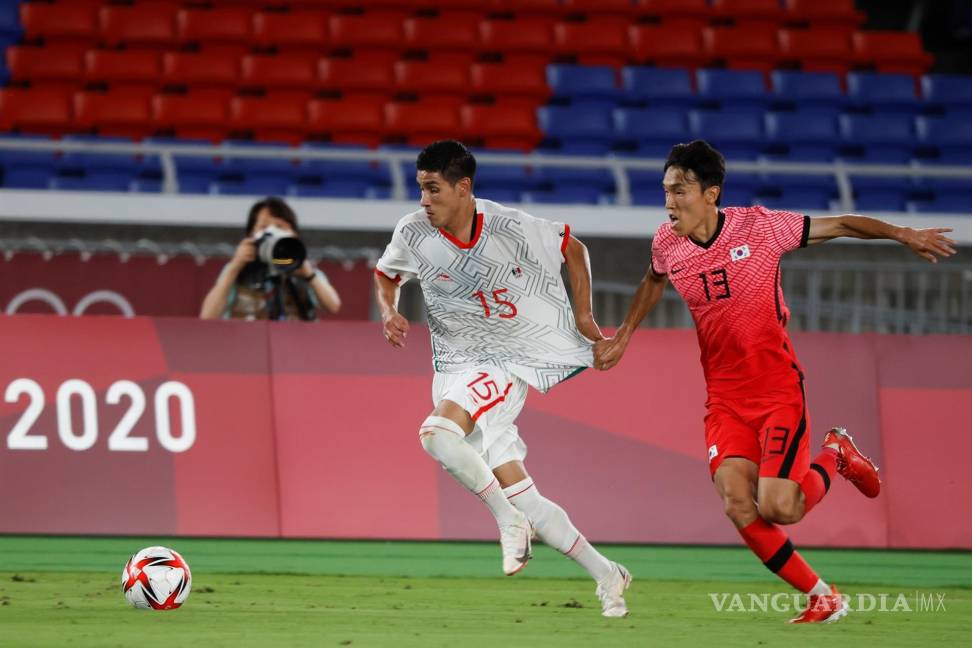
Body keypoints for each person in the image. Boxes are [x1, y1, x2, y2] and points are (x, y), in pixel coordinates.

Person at [594, 140, 956, 623]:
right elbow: (654, 279)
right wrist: (624, 335)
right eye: (665, 191)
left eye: (679, 191)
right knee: (737, 502)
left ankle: (836, 453)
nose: (668, 202)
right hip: (723, 398)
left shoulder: (760, 227)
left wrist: (903, 234)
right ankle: (822, 596)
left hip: (776, 390)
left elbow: (843, 224)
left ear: (711, 193)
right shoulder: (667, 241)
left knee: (781, 507)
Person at [374, 140, 631, 617]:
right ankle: (608, 575)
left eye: (433, 189)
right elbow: (387, 274)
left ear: (463, 187)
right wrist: (389, 311)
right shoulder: (413, 231)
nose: (424, 200)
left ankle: (506, 521)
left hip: (507, 361)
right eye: (420, 190)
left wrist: (584, 317)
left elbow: (573, 248)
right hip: (451, 367)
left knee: (436, 434)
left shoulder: (510, 227)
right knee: (524, 493)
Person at [200, 197, 341, 320]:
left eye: (280, 226)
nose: (272, 231)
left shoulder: (302, 269)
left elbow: (333, 306)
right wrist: (234, 267)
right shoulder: (237, 270)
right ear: (251, 233)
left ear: (294, 234)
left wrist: (308, 274)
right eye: (263, 226)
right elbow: (208, 316)